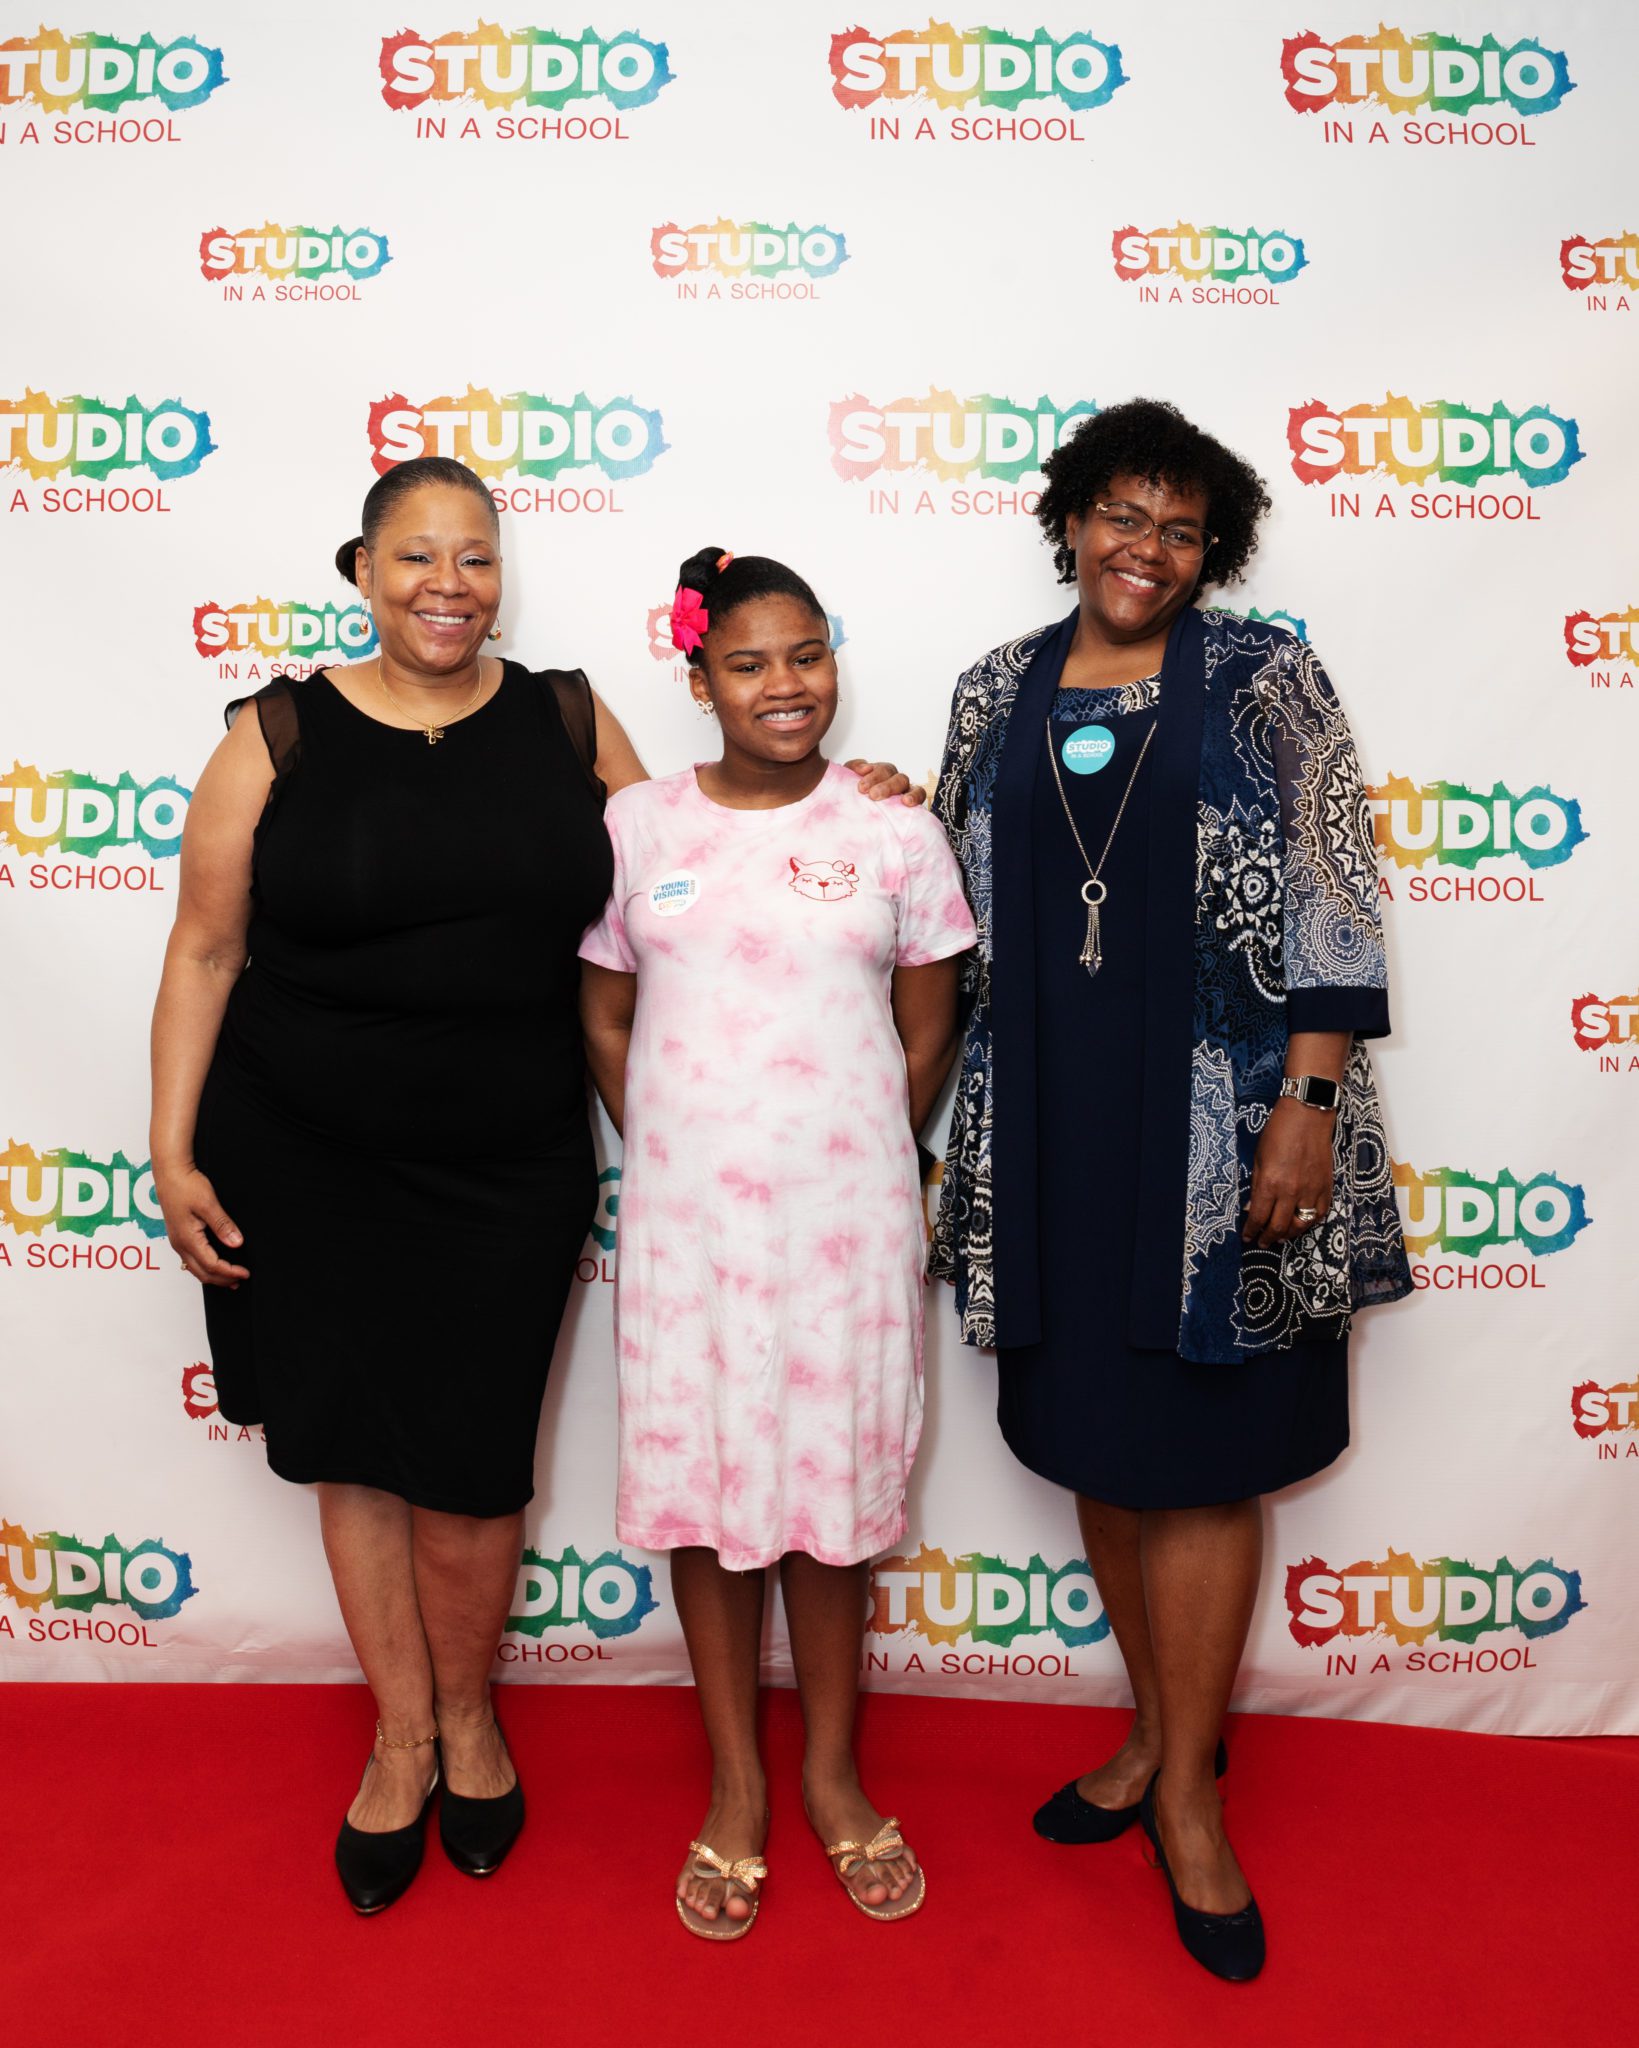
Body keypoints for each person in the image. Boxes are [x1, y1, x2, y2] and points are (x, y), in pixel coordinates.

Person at [148, 462, 923, 1915]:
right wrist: (170, 1145)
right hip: (302, 1153)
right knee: (352, 1452)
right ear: (362, 571)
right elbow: (202, 949)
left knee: (472, 1459)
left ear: (501, 578)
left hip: (508, 1163)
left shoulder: (565, 719)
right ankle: (404, 1738)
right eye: (415, 556)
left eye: (475, 557)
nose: (448, 584)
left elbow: (712, 853)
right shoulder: (276, 733)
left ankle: (474, 1718)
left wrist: (853, 803)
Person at [929, 399, 1411, 1981]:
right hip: (1048, 1134)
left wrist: (1307, 1107)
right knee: (1103, 1444)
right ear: (1071, 519)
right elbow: (940, 893)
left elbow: (1337, 890)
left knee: (1201, 1463)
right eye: (1122, 515)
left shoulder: (1267, 678)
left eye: (1181, 530)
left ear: (1215, 553)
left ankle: (1191, 1801)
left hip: (1225, 1131)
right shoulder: (993, 688)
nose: (1146, 548)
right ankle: (1151, 1737)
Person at [578, 547, 976, 1939]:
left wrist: (844, 1151)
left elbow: (928, 1027)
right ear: (701, 682)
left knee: (830, 1497)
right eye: (747, 663)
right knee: (708, 1494)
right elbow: (607, 1016)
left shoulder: (895, 831)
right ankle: (736, 1786)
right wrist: (684, 1145)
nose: (784, 685)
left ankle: (832, 1776)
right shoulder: (636, 827)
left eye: (806, 655)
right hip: (687, 1230)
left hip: (847, 1228)